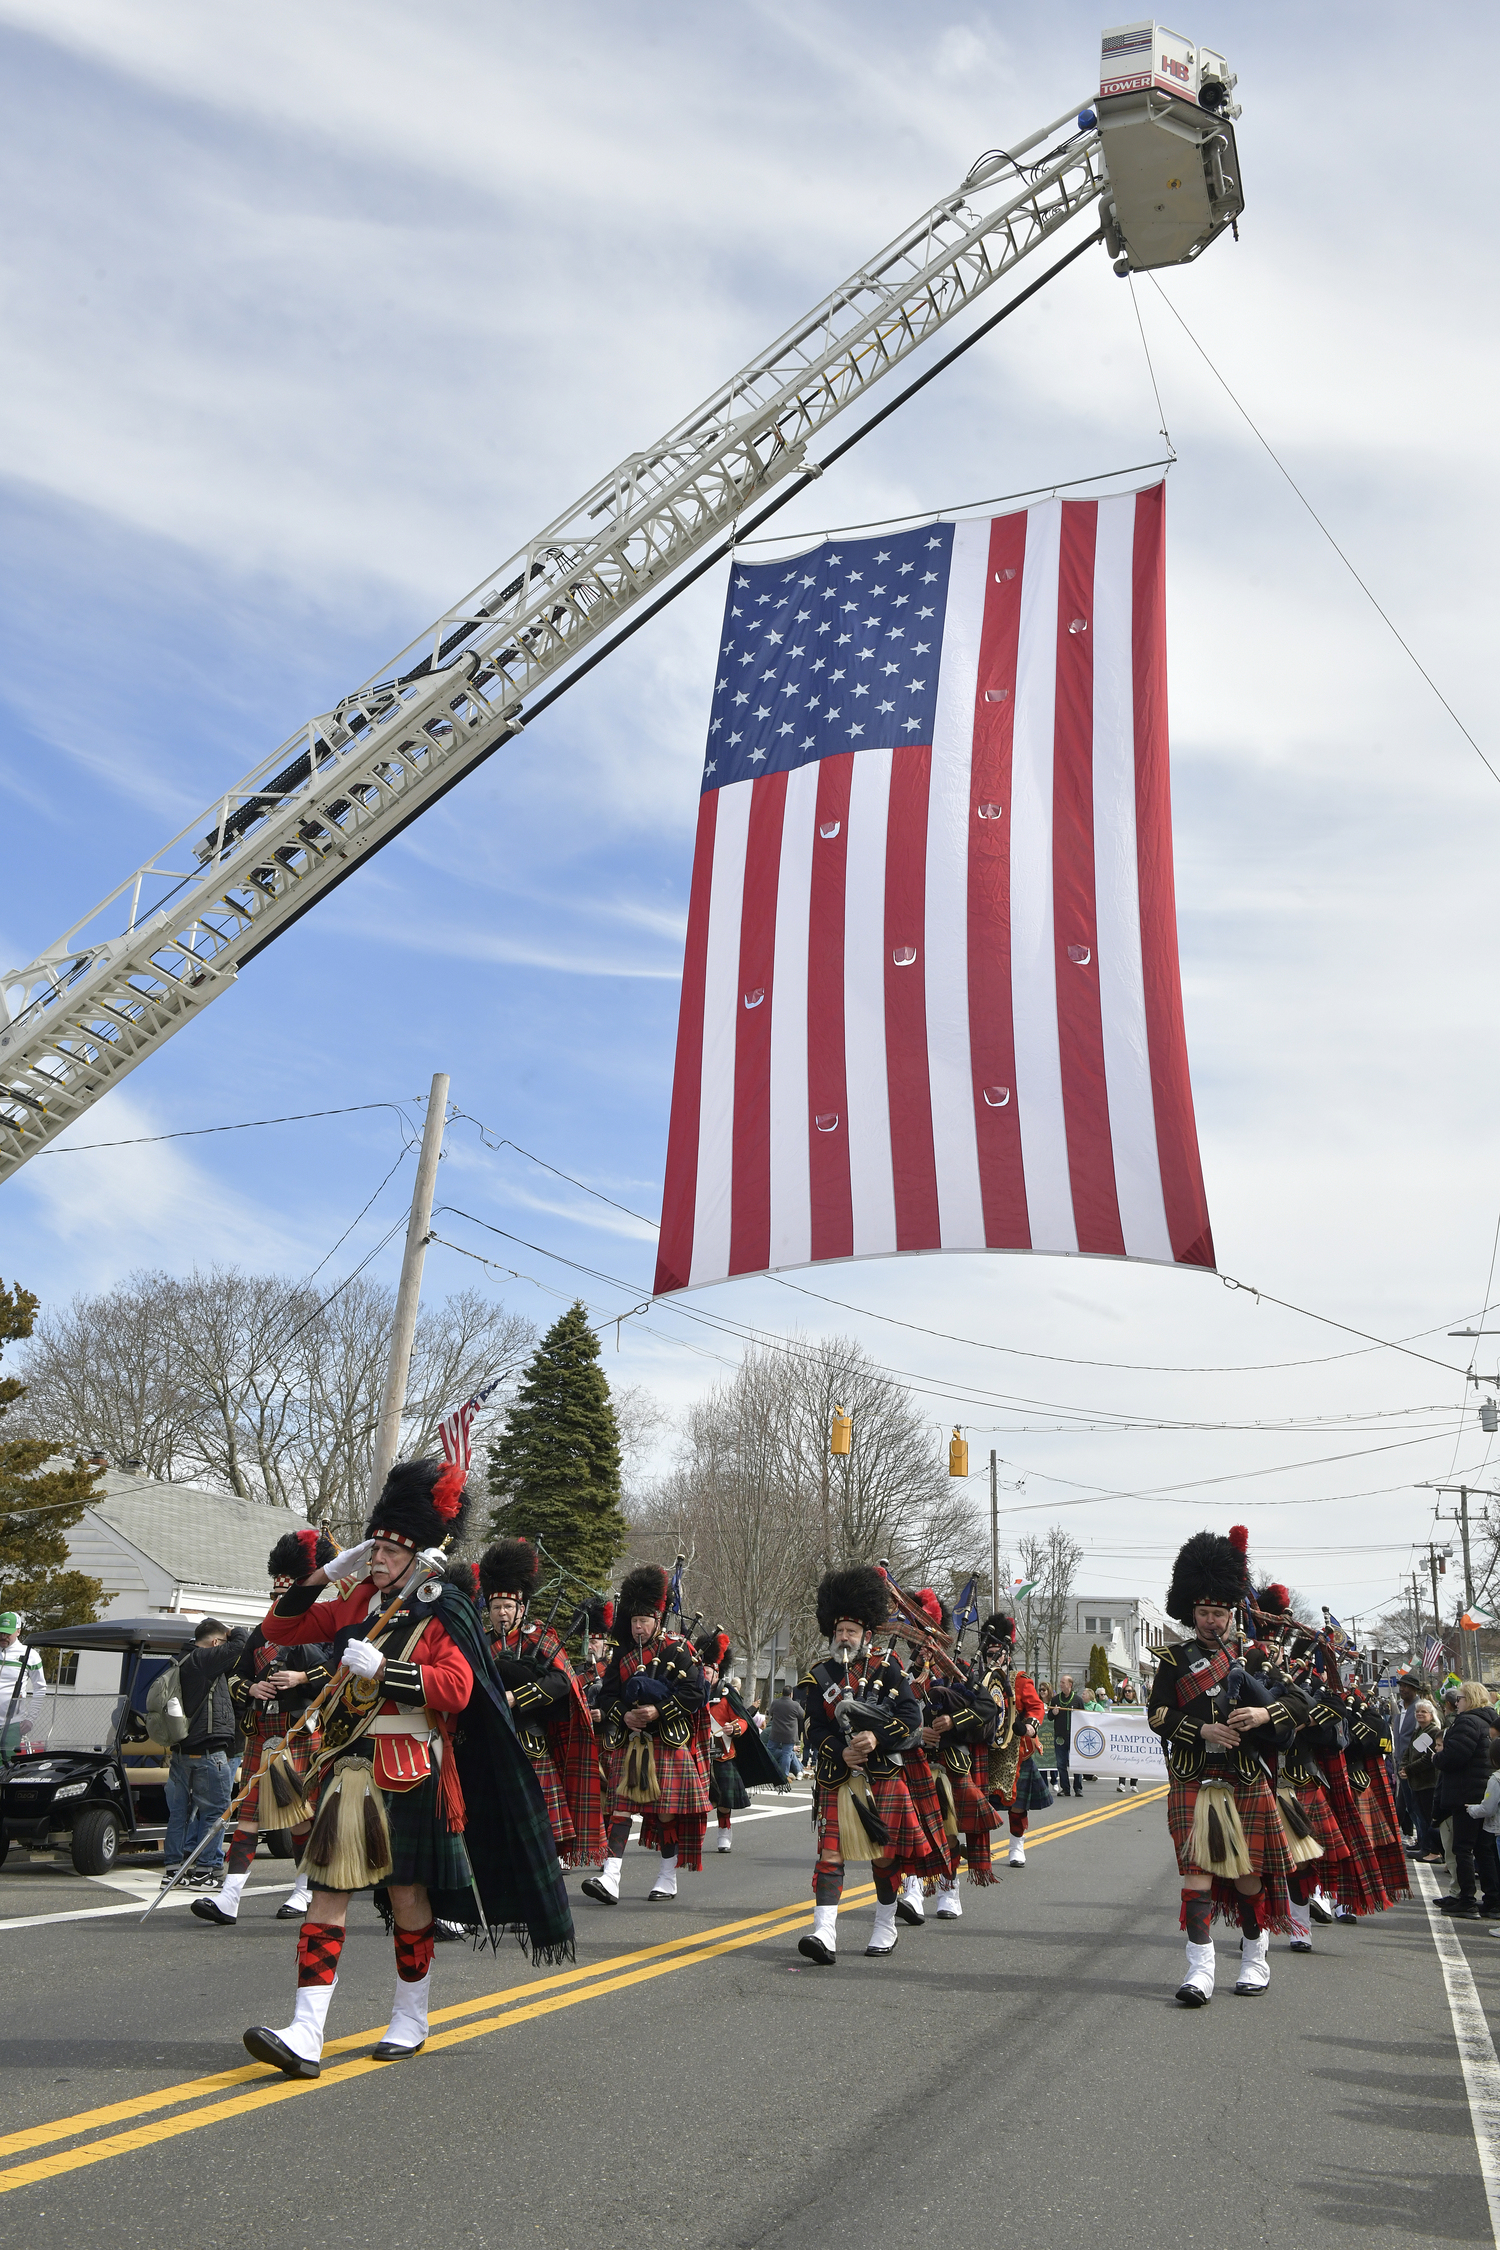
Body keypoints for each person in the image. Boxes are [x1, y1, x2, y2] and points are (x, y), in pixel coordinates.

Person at [242, 1457, 572, 2080]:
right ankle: (306, 2031)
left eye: (390, 1550)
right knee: (327, 1890)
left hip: (411, 1767)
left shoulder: (440, 1607)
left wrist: (386, 1672)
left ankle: (410, 2016)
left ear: (419, 1555)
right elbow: (279, 1626)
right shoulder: (359, 1599)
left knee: (407, 1896)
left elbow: (457, 1687)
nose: (377, 1558)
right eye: (375, 1547)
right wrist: (322, 1575)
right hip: (349, 1766)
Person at [1148, 1527, 1298, 2005]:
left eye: (1219, 1612)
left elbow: (1300, 1705)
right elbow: (1158, 1714)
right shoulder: (1173, 1660)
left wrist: (1262, 1714)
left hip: (1245, 1777)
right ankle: (1200, 1970)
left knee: (1248, 1876)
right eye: (1204, 1612)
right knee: (1197, 1875)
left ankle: (1255, 1958)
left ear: (1233, 1614)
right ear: (1191, 1613)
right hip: (1195, 1775)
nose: (1212, 1620)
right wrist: (1202, 1730)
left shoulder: (1258, 1658)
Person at [192, 1530, 337, 1927]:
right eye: (275, 1598)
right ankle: (229, 1897)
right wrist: (251, 1686)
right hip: (262, 1730)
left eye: (285, 1598)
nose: (278, 1605)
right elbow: (234, 1678)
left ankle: (305, 1889)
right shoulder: (258, 1633)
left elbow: (338, 1675)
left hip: (301, 1730)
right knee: (249, 1814)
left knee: (301, 1816)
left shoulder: (323, 1628)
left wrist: (301, 1677)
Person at [793, 1565, 932, 1964]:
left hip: (883, 1775)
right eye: (839, 1631)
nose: (844, 1637)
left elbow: (911, 1719)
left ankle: (885, 1926)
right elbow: (814, 1729)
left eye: (851, 1631)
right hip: (839, 1778)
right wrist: (841, 1751)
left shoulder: (889, 1670)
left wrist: (876, 1738)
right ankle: (824, 1933)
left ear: (866, 1635)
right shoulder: (819, 1675)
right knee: (830, 1856)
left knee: (884, 1857)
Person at [583, 1565, 710, 1905]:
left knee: (665, 1813)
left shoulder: (678, 1650)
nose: (638, 1627)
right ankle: (611, 1877)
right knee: (621, 1809)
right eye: (634, 1621)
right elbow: (608, 1696)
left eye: (644, 1621)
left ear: (658, 1619)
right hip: (631, 1741)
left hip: (666, 1741)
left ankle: (667, 1878)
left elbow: (694, 1694)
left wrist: (657, 1711)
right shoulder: (622, 1655)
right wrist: (623, 1715)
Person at [481, 1538, 605, 1870]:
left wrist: (515, 1697)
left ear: (521, 1608)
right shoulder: (480, 1644)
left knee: (538, 1818)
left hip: (532, 1742)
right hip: (489, 1744)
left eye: (508, 1607)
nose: (502, 1613)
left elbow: (562, 1681)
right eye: (496, 1608)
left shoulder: (540, 1636)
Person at [162, 1617, 249, 1886]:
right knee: (215, 1812)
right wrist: (234, 1631)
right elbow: (241, 1645)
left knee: (179, 1813)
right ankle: (206, 1869)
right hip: (209, 1752)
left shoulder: (183, 1659)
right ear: (214, 1643)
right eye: (220, 1642)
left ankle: (173, 1870)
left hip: (181, 1752)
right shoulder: (203, 1659)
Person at [979, 1612, 1046, 1866]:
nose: (995, 1658)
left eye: (999, 1653)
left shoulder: (1020, 1680)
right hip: (984, 1749)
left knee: (1017, 1804)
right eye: (990, 1654)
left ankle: (1017, 1845)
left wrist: (1029, 1726)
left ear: (1008, 1654)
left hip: (1016, 1750)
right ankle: (981, 1847)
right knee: (979, 1801)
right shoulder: (978, 1681)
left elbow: (1036, 1708)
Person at [1433, 1679, 1500, 1921]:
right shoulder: (1488, 1720)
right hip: (1483, 1791)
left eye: (1459, 1698)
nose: (1456, 1702)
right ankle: (1493, 1900)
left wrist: (1437, 1758)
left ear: (1468, 1699)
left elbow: (1455, 1757)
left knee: (1462, 1848)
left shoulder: (1467, 1721)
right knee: (1484, 1849)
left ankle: (1467, 1900)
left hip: (1466, 1794)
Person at [1402, 1698, 1445, 1863]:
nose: (1420, 1714)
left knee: (1429, 1817)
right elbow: (1409, 1750)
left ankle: (1434, 1851)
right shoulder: (1417, 1731)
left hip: (1428, 1781)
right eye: (1418, 1711)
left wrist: (1409, 1769)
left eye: (1424, 1712)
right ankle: (1425, 1847)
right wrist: (1404, 1766)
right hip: (1416, 1781)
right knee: (1420, 1816)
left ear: (1431, 1714)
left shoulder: (1434, 1732)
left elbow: (1428, 1758)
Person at [0, 1613, 45, 1760]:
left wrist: (30, 1719)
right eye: (0, 1632)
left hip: (12, 1723)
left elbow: (40, 1688)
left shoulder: (30, 1655)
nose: (3, 1637)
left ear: (18, 1631)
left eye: (8, 1633)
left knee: (6, 1767)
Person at [1050, 1676, 1083, 1799]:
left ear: (1070, 1684)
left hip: (1074, 1737)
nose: (1061, 1684)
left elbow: (1084, 1718)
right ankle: (1065, 1788)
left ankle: (1078, 1788)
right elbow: (1049, 1717)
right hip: (1060, 1737)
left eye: (1063, 1682)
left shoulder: (1078, 1700)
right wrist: (1053, 1713)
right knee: (1061, 1763)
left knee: (1077, 1763)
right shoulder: (1055, 1699)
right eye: (1060, 1682)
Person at [765, 1684, 805, 1779]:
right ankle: (783, 1775)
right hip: (789, 1734)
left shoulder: (775, 1703)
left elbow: (770, 1712)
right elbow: (802, 1715)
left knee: (769, 1750)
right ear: (791, 1694)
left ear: (782, 1693)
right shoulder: (795, 1705)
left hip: (776, 1732)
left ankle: (765, 1770)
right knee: (787, 1754)